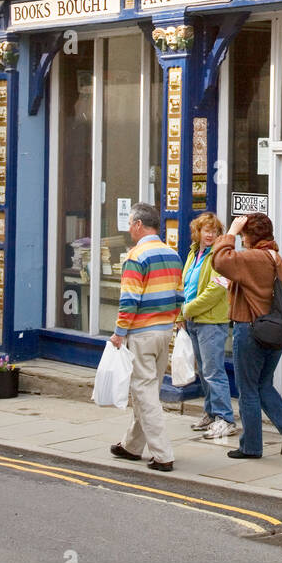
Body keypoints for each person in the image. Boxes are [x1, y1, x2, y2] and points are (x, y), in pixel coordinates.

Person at [211, 212, 282, 460]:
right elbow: (262, 291)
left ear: (249, 236)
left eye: (242, 235)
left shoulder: (254, 257)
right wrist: (234, 286)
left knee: (247, 389)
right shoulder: (276, 257)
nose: (241, 239)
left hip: (250, 329)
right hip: (275, 331)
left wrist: (229, 232)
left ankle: (251, 447)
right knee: (263, 384)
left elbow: (219, 260)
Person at [109, 202, 183, 472]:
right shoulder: (172, 254)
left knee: (145, 393)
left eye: (130, 223)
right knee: (147, 391)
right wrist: (171, 322)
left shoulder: (136, 256)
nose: (129, 228)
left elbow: (129, 301)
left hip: (140, 333)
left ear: (139, 225)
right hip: (164, 332)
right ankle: (131, 446)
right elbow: (179, 296)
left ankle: (163, 454)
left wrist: (119, 333)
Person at [179, 212, 236, 441]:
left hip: (211, 321)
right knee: (204, 371)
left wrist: (188, 309)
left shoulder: (219, 256)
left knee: (214, 372)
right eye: (206, 230)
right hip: (193, 320)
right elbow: (186, 283)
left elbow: (217, 289)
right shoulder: (194, 253)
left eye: (214, 231)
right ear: (198, 232)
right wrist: (182, 313)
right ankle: (211, 414)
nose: (211, 234)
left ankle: (226, 419)